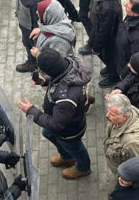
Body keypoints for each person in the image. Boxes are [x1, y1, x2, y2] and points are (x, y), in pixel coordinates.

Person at [17, 49, 92, 180]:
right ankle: (67, 157)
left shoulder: (66, 99)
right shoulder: (70, 63)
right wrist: (45, 80)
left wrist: (31, 110)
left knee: (76, 148)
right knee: (47, 133)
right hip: (62, 119)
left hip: (69, 131)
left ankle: (83, 168)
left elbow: (57, 125)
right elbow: (59, 77)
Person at [10, 0, 53, 73]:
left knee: (30, 44)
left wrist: (35, 31)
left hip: (30, 26)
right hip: (25, 17)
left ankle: (33, 63)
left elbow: (38, 19)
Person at [86, 0, 123, 86]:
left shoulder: (108, 6)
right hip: (98, 27)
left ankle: (114, 76)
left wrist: (97, 48)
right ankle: (110, 67)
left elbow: (105, 31)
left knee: (107, 56)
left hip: (108, 37)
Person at [104, 94, 139, 178]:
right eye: (108, 112)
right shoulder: (125, 110)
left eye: (112, 114)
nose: (107, 115)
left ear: (124, 116)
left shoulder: (132, 142)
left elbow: (137, 167)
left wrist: (125, 180)